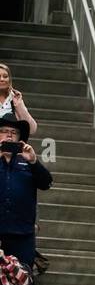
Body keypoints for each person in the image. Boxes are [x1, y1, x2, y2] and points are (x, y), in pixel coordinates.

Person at [0, 113, 50, 269]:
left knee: (23, 279)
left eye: (14, 132)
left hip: (22, 235)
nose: (9, 135)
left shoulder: (28, 161)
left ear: (20, 138)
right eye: (4, 131)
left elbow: (46, 183)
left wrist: (34, 162)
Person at [0, 64, 38, 138]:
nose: (2, 79)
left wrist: (19, 105)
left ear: (9, 79)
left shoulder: (15, 98)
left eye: (5, 76)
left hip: (10, 145)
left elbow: (32, 129)